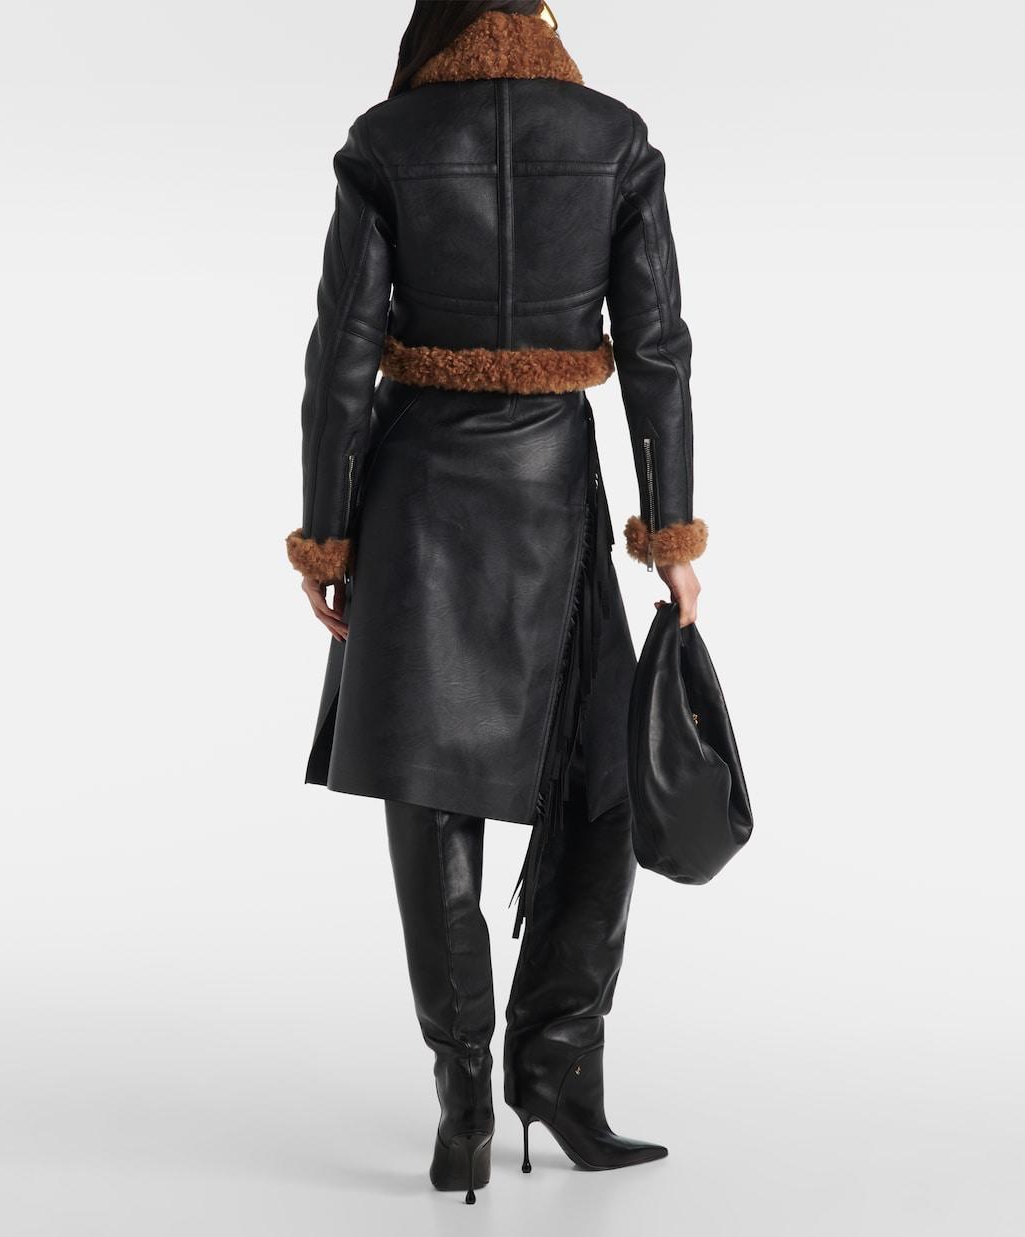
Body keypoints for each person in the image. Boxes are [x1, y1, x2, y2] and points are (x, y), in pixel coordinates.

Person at [285, 1, 706, 1204]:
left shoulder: (387, 140)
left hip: (415, 494)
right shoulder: (612, 137)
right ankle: (559, 1065)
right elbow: (657, 347)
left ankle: (466, 1095)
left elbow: (340, 351)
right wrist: (668, 531)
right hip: (551, 487)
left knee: (431, 786)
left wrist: (327, 533)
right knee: (603, 781)